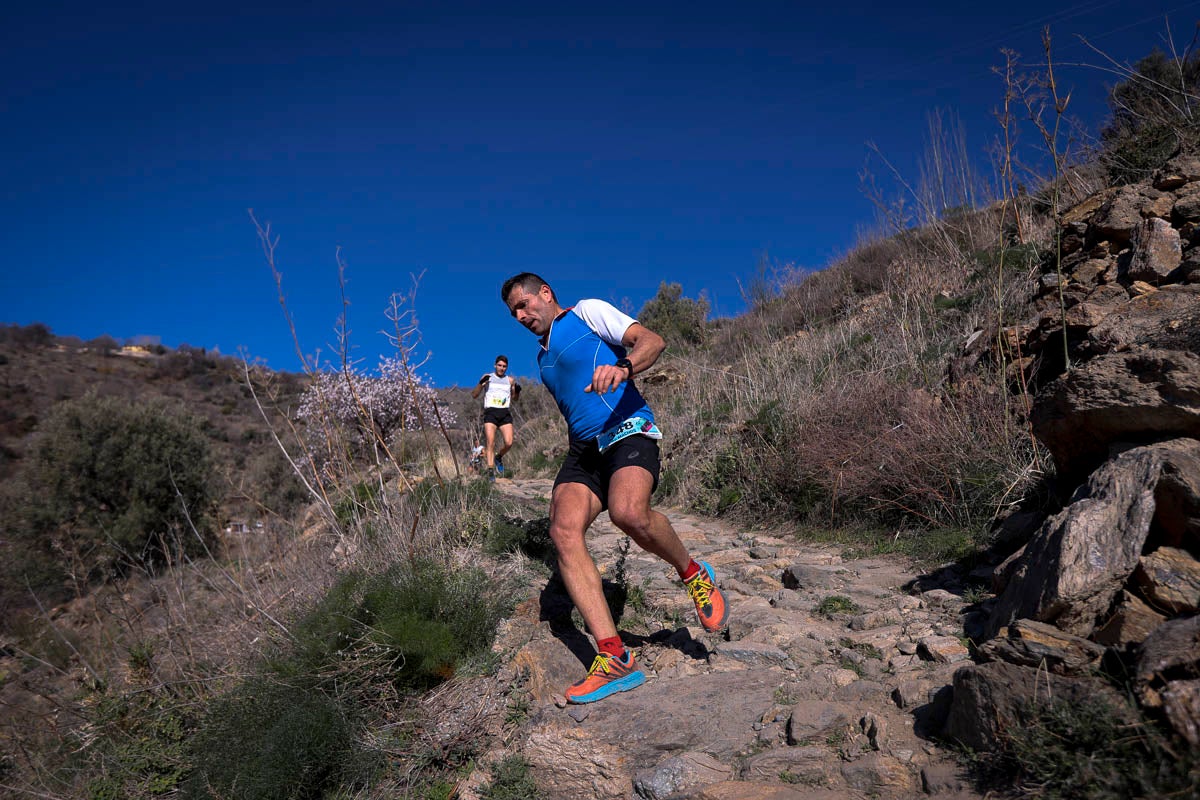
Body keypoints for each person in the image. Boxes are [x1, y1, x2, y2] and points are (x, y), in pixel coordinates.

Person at [500, 272, 728, 704]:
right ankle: (614, 658)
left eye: (525, 303)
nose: (521, 315)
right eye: (514, 311)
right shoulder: (542, 359)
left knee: (629, 514)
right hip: (584, 451)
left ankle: (694, 574)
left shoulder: (587, 313)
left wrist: (622, 366)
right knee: (563, 531)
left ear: (546, 294)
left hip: (626, 430)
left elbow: (652, 342)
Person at [470, 354, 520, 478]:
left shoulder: (510, 380)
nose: (501, 368)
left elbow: (515, 399)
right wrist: (480, 384)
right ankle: (491, 470)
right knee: (490, 442)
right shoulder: (487, 377)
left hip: (504, 413)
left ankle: (499, 457)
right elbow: (474, 395)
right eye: (499, 365)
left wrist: (517, 391)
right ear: (495, 365)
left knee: (509, 442)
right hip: (490, 413)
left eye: (504, 366)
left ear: (506, 367)